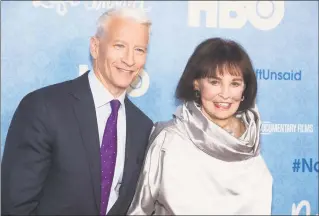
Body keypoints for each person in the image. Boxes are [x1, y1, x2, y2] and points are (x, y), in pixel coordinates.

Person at [1, 7, 153, 215]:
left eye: (139, 50)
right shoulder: (43, 107)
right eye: (119, 46)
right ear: (95, 46)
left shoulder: (142, 126)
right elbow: (16, 207)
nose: (129, 59)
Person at [127, 37, 273, 215]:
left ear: (244, 89)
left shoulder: (249, 148)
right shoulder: (169, 140)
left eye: (234, 83)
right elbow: (140, 210)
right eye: (214, 82)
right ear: (196, 84)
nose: (225, 94)